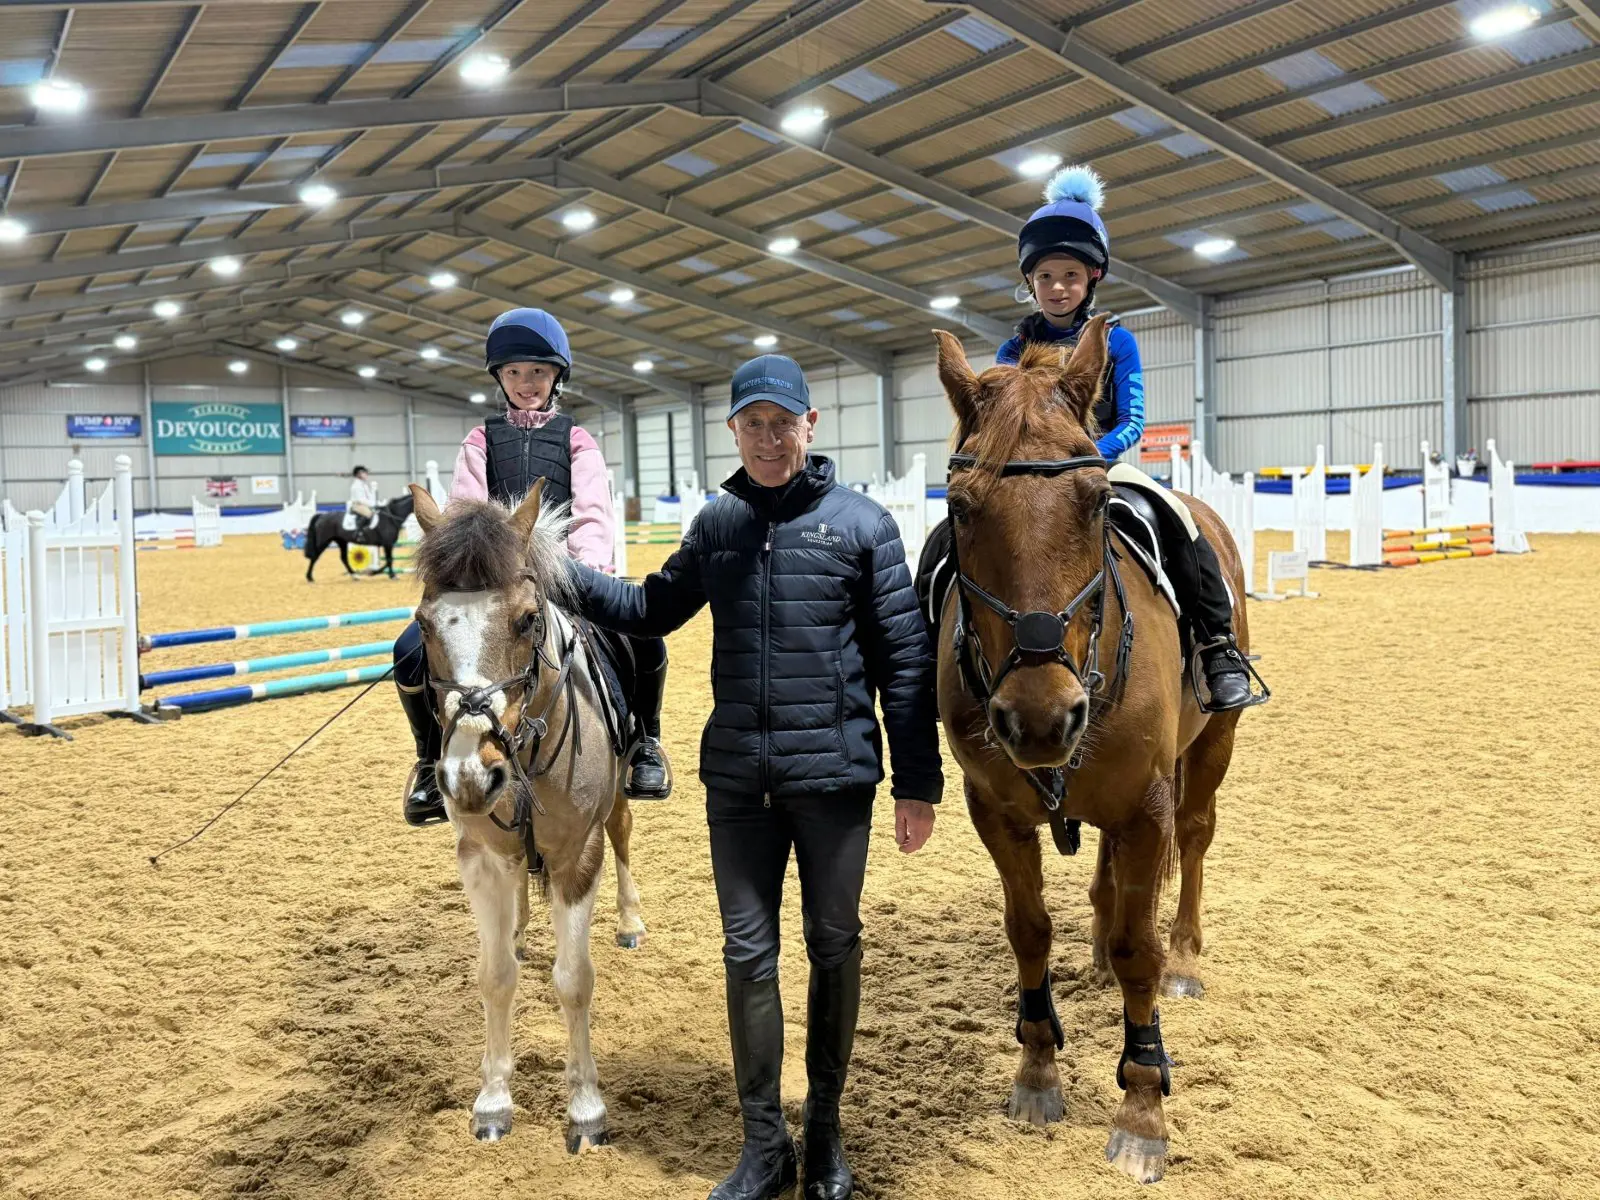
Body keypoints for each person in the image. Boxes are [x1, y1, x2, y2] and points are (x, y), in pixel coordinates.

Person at [565, 354, 944, 1200]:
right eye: (753, 426)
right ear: (733, 431)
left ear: (811, 427)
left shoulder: (863, 525)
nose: (769, 440)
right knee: (748, 952)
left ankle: (827, 1134)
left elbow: (905, 660)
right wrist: (562, 577)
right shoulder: (718, 525)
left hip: (834, 780)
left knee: (834, 944)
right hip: (740, 781)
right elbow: (651, 608)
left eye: (783, 424)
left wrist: (917, 782)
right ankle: (764, 1144)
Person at [393, 308, 673, 827]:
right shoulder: (479, 441)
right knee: (409, 652)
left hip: (566, 573)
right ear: (499, 377)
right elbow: (464, 510)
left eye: (538, 372)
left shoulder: (577, 439)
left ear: (556, 376)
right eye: (515, 372)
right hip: (496, 582)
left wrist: (584, 570)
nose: (527, 382)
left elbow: (592, 513)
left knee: (644, 639)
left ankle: (645, 742)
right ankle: (431, 759)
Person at [993, 164, 1253, 710]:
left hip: (1102, 466)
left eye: (1069, 275)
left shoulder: (1119, 342)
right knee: (955, 536)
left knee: (1178, 521)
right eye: (1045, 276)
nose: (1057, 287)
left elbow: (1133, 422)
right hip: (1030, 475)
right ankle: (935, 646)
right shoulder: (1011, 351)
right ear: (1029, 282)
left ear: (1092, 278)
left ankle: (1218, 646)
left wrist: (1084, 455)